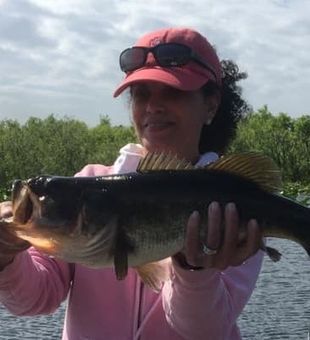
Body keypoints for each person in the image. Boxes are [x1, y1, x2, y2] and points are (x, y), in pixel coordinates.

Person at [0, 27, 264, 340]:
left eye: (173, 91)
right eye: (142, 94)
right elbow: (34, 299)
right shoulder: (85, 187)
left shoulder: (229, 202)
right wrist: (6, 257)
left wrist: (196, 270)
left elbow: (204, 331)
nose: (153, 106)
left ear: (211, 104)